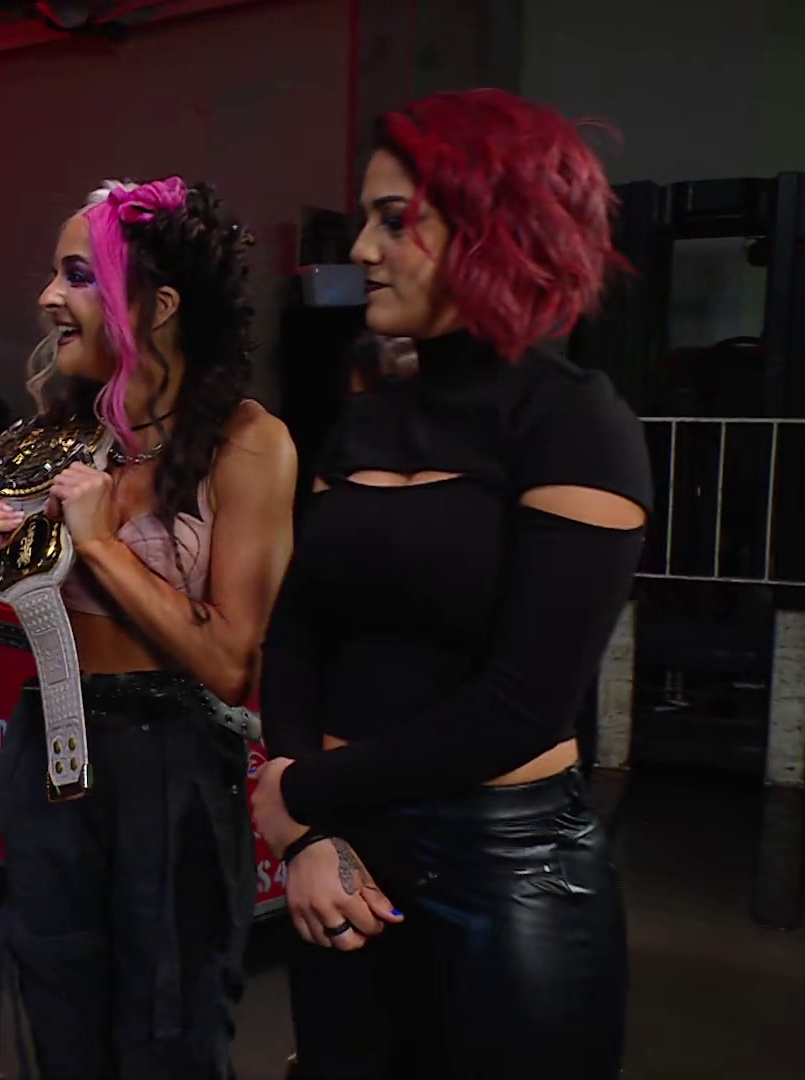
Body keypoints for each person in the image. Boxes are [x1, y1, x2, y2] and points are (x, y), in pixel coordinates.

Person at [252, 88, 652, 1079]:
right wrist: (309, 833)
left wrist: (296, 793)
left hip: (502, 876)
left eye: (395, 221)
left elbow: (523, 704)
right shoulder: (364, 420)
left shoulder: (576, 422)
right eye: (366, 221)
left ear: (493, 228)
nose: (363, 249)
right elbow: (299, 631)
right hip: (342, 859)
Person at [0, 176, 297, 1080]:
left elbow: (230, 661)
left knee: (168, 1037)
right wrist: (27, 550)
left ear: (159, 306)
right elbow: (59, 618)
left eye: (77, 275)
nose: (47, 297)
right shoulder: (65, 439)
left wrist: (100, 545)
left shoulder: (249, 442)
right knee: (60, 1021)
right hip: (55, 750)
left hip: (173, 775)